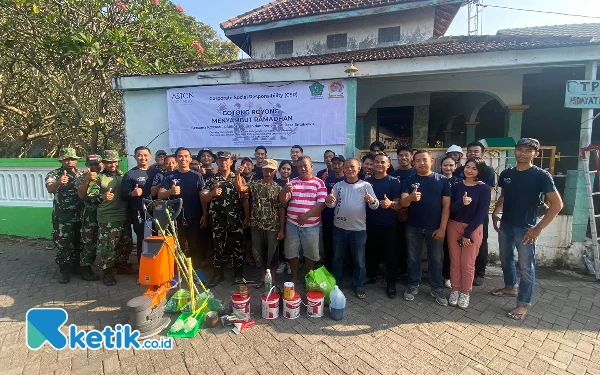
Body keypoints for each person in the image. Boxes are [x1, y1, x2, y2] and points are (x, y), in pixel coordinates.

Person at [491, 138, 563, 321]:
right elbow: (505, 195)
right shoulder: (507, 173)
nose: (522, 153)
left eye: (528, 150)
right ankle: (510, 287)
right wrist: (495, 213)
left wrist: (538, 228)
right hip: (506, 224)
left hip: (526, 229)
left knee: (526, 267)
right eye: (520, 149)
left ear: (536, 154)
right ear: (515, 151)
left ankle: (523, 304)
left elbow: (557, 204)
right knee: (505, 259)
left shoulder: (540, 176)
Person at [400, 150, 451, 306]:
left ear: (432, 160)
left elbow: (446, 205)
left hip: (434, 228)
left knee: (436, 259)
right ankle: (413, 284)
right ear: (413, 163)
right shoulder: (408, 180)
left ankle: (437, 287)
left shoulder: (442, 180)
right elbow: (403, 203)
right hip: (413, 227)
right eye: (418, 160)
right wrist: (410, 197)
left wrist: (443, 228)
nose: (421, 163)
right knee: (413, 258)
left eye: (424, 160)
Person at [326, 158, 379, 299]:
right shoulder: (338, 186)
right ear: (343, 169)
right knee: (337, 258)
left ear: (359, 168)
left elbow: (375, 205)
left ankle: (359, 285)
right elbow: (331, 205)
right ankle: (336, 283)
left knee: (359, 260)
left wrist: (372, 200)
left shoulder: (366, 186)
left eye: (352, 166)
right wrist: (328, 201)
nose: (349, 169)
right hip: (339, 228)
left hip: (358, 230)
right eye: (347, 167)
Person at [447, 158, 491, 309]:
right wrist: (461, 202)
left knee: (468, 263)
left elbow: (482, 213)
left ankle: (465, 292)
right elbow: (449, 209)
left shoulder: (484, 189)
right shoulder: (456, 186)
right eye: (467, 167)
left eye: (474, 168)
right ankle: (455, 290)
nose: (469, 170)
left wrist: (467, 232)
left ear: (480, 171)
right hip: (453, 226)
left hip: (473, 229)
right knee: (455, 261)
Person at [235, 158, 284, 289]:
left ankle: (273, 280)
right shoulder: (255, 184)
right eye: (265, 170)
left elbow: (281, 209)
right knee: (259, 253)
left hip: (273, 226)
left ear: (275, 172)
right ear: (262, 170)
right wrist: (237, 174)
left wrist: (282, 229)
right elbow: (240, 188)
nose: (267, 173)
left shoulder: (279, 188)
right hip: (256, 225)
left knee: (272, 254)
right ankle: (262, 278)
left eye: (270, 170)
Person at [202, 151, 249, 286]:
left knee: (238, 248)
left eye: (226, 160)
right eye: (220, 160)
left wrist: (246, 217)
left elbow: (245, 199)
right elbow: (203, 198)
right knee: (218, 249)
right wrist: (211, 193)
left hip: (236, 220)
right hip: (218, 220)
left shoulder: (238, 177)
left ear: (231, 162)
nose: (223, 162)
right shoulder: (211, 180)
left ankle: (238, 276)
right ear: (216, 162)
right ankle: (218, 275)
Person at [454, 141, 496, 286]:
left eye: (476, 151)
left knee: (480, 244)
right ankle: (457, 278)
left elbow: (485, 197)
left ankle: (479, 273)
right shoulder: (459, 171)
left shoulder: (488, 172)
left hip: (478, 216)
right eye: (470, 151)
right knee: (457, 251)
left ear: (482, 153)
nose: (472, 153)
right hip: (458, 217)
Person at [88, 150, 133, 286]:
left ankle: (121, 266)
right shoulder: (99, 178)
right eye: (109, 162)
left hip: (123, 215)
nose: (112, 164)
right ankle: (107, 272)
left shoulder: (122, 176)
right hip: (108, 217)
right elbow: (90, 197)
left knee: (125, 244)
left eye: (114, 161)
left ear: (118, 162)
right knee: (108, 246)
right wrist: (101, 197)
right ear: (104, 163)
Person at [279, 156, 326, 284]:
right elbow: (283, 200)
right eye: (300, 166)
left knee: (310, 254)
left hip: (311, 226)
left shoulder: (319, 183)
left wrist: (306, 216)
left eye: (305, 165)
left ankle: (307, 277)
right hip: (292, 225)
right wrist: (284, 190)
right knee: (292, 253)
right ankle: (294, 276)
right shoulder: (292, 182)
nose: (303, 168)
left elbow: (322, 204)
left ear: (312, 167)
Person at [158, 148, 207, 268]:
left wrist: (205, 214)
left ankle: (197, 270)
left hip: (194, 216)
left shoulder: (197, 176)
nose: (183, 159)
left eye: (186, 156)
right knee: (177, 245)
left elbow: (202, 196)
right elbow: (160, 195)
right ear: (176, 159)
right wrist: (170, 191)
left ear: (190, 159)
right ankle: (176, 271)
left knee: (195, 245)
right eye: (180, 156)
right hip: (176, 218)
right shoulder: (170, 176)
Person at [45, 147, 85, 284]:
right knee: (63, 242)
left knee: (79, 241)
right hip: (62, 216)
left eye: (72, 159)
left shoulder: (81, 173)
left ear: (76, 160)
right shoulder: (54, 174)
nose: (69, 162)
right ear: (61, 160)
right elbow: (50, 189)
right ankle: (64, 270)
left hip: (80, 214)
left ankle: (76, 266)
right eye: (66, 159)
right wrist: (59, 182)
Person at [366, 153, 402, 298]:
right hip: (370, 224)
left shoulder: (394, 181)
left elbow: (400, 204)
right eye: (376, 162)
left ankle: (391, 283)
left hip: (389, 225)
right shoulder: (367, 182)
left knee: (390, 255)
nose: (379, 165)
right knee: (371, 252)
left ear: (388, 165)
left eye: (383, 162)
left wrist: (391, 204)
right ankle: (371, 276)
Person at [121, 146, 161, 265]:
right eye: (139, 155)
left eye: (145, 155)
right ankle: (143, 267)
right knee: (142, 240)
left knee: (156, 238)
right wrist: (132, 193)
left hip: (157, 212)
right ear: (135, 157)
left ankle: (155, 266)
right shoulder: (130, 174)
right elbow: (123, 196)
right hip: (139, 212)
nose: (142, 158)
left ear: (150, 157)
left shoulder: (157, 172)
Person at [75, 154, 103, 281]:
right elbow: (81, 196)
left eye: (97, 163)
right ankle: (85, 268)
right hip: (90, 215)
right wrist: (87, 179)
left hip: (105, 213)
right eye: (92, 164)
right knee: (89, 242)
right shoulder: (81, 178)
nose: (95, 166)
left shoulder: (105, 176)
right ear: (87, 165)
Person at [391, 146, 416, 278]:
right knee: (399, 244)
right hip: (396, 215)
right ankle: (400, 270)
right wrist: (398, 210)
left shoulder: (417, 173)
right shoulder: (393, 175)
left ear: (412, 157)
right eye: (400, 155)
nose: (403, 158)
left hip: (414, 216)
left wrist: (406, 210)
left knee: (412, 246)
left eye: (406, 155)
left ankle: (411, 273)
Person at [440, 155, 461, 288]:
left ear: (455, 167)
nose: (448, 168)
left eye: (451, 165)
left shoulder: (459, 182)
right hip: (437, 217)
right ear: (440, 166)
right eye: (445, 165)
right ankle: (436, 274)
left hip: (453, 219)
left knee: (449, 249)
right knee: (436, 249)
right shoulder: (437, 179)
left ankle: (448, 276)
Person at [322, 155, 346, 270]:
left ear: (343, 164)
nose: (336, 166)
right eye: (334, 163)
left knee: (341, 243)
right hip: (328, 216)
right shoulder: (328, 178)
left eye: (339, 163)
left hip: (342, 217)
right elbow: (322, 196)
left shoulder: (347, 179)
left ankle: (342, 266)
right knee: (328, 242)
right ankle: (328, 265)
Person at [275, 160, 293, 275]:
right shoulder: (275, 182)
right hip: (276, 216)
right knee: (280, 240)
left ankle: (289, 263)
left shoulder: (293, 183)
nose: (285, 171)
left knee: (290, 240)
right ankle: (281, 261)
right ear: (279, 170)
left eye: (288, 169)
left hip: (291, 216)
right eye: (283, 168)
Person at [240, 156, 256, 267]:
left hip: (254, 210)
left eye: (248, 164)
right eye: (244, 164)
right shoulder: (237, 178)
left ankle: (249, 256)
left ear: (253, 166)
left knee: (250, 236)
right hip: (238, 210)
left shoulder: (257, 178)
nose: (246, 166)